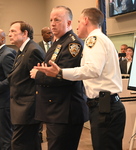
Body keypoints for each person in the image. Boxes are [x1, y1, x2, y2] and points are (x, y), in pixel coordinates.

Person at [35, 7, 126, 150]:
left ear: (85, 20)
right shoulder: (101, 39)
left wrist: (60, 72)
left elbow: (92, 70)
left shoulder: (93, 39)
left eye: (78, 22)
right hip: (105, 105)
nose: (76, 26)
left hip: (105, 107)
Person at [30, 6, 88, 150]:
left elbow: (64, 76)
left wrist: (38, 74)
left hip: (65, 111)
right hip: (55, 110)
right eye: (51, 20)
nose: (53, 23)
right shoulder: (58, 42)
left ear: (69, 23)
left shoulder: (72, 44)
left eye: (57, 20)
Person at [8, 21, 45, 150]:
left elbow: (39, 80)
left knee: (19, 144)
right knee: (31, 143)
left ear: (25, 33)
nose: (9, 34)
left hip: (27, 108)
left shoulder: (33, 51)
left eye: (13, 31)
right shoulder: (23, 50)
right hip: (21, 107)